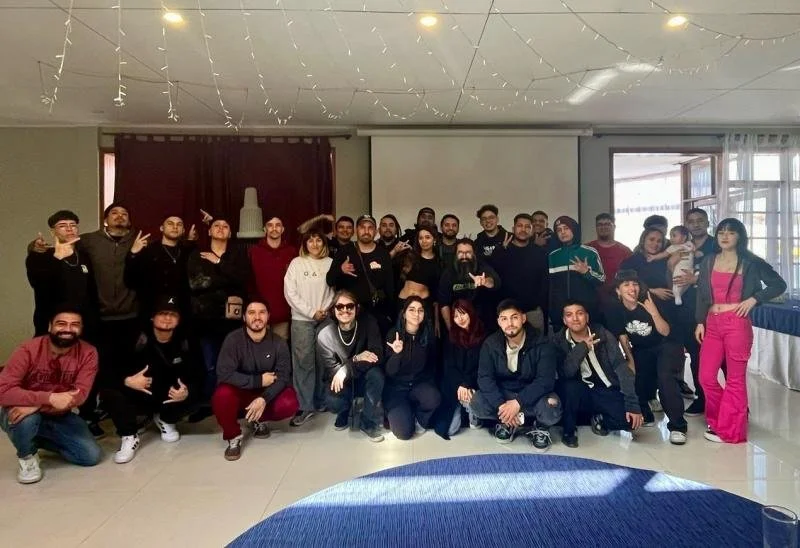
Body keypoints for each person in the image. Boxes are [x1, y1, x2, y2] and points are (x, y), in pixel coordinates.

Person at [696, 218, 786, 444]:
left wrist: (755, 299)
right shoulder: (709, 261)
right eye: (721, 232)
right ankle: (718, 421)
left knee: (735, 379)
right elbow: (701, 294)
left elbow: (778, 284)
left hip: (736, 322)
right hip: (711, 322)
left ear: (739, 236)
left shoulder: (751, 262)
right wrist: (699, 321)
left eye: (731, 232)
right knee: (705, 377)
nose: (725, 236)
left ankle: (732, 431)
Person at [0, 307, 102, 484]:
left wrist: (39, 404)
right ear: (50, 327)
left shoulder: (88, 352)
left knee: (90, 456)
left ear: (81, 329)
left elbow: (81, 394)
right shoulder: (28, 349)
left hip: (57, 414)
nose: (68, 329)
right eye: (61, 324)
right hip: (22, 412)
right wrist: (49, 398)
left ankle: (34, 439)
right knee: (28, 420)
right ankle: (27, 456)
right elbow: (3, 390)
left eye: (74, 325)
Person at [101, 296, 203, 464]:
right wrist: (127, 381)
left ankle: (165, 419)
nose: (167, 318)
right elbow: (107, 371)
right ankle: (129, 436)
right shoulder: (134, 338)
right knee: (110, 392)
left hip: (169, 395)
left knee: (202, 392)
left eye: (172, 314)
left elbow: (198, 373)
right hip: (139, 392)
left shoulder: (186, 340)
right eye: (162, 313)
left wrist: (186, 391)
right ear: (152, 317)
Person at [77, 203, 141, 437]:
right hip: (99, 318)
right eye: (115, 213)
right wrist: (37, 248)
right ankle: (88, 416)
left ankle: (125, 414)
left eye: (125, 213)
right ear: (106, 219)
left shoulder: (138, 239)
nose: (120, 216)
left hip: (130, 316)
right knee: (94, 367)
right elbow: (62, 250)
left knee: (127, 367)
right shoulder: (89, 241)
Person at [606, 270, 689, 445]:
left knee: (665, 379)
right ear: (618, 291)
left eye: (635, 284)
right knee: (636, 376)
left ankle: (678, 426)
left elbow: (665, 331)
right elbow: (623, 338)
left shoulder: (650, 301)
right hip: (642, 348)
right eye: (626, 285)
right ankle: (646, 412)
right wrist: (631, 362)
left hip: (667, 345)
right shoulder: (615, 309)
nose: (632, 288)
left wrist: (653, 312)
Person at [469, 299, 562, 451]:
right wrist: (502, 406)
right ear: (499, 322)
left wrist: (518, 403)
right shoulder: (490, 344)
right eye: (504, 319)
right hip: (504, 394)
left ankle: (540, 426)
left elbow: (545, 381)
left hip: (532, 395)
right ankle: (507, 420)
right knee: (477, 403)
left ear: (523, 318)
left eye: (514, 317)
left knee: (551, 408)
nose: (510, 323)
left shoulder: (543, 343)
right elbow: (485, 378)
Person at [212, 300, 299, 461]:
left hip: (264, 393)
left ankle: (259, 419)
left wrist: (264, 398)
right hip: (240, 391)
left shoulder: (278, 343)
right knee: (222, 395)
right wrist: (258, 381)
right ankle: (233, 436)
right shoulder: (233, 340)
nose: (257, 317)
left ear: (268, 316)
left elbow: (283, 376)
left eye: (262, 312)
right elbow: (224, 373)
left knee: (290, 402)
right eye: (252, 313)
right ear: (244, 317)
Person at [553, 301, 643, 448]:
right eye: (569, 315)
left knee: (633, 420)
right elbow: (566, 373)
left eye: (579, 313)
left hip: (605, 389)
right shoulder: (558, 340)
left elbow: (621, 367)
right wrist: (583, 347)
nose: (575, 318)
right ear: (564, 320)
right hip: (578, 392)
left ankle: (600, 419)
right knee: (570, 387)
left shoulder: (603, 334)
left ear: (587, 317)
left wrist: (632, 404)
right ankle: (569, 432)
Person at [187, 218, 249, 419]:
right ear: (210, 231)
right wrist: (226, 278)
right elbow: (197, 283)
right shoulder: (197, 255)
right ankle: (208, 403)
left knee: (234, 364)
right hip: (205, 320)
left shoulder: (237, 255)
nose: (221, 229)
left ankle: (234, 402)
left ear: (230, 233)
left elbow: (243, 280)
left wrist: (218, 263)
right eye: (217, 226)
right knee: (210, 365)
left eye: (225, 226)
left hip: (232, 321)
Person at [316, 290, 385, 442]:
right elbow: (333, 370)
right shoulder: (325, 334)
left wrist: (347, 367)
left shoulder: (368, 322)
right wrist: (356, 359)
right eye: (340, 306)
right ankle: (344, 410)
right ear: (333, 310)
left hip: (364, 375)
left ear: (356, 308)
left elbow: (377, 354)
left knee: (377, 376)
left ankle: (367, 421)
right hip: (342, 380)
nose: (345, 310)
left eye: (349, 306)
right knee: (331, 399)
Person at [283, 230, 335, 427]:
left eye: (318, 239)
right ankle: (305, 406)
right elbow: (290, 293)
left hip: (325, 317)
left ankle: (321, 401)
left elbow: (333, 290)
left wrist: (325, 310)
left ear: (323, 243)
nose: (314, 243)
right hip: (302, 319)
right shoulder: (297, 263)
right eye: (310, 240)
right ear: (305, 244)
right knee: (304, 362)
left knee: (324, 361)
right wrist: (311, 312)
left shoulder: (330, 263)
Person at [26, 210, 99, 339]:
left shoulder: (84, 256)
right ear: (53, 232)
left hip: (83, 323)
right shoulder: (41, 256)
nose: (69, 229)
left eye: (73, 225)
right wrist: (57, 258)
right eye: (62, 225)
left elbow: (91, 290)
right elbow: (39, 285)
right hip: (53, 323)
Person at [672, 207, 716, 415]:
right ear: (686, 224)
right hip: (688, 309)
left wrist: (696, 279)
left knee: (721, 357)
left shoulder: (717, 245)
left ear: (707, 223)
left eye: (700, 220)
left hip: (714, 308)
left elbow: (727, 274)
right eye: (691, 221)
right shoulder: (682, 245)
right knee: (696, 355)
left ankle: (736, 401)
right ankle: (703, 397)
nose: (696, 224)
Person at [383, 297, 441, 440]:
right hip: (396, 388)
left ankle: (418, 416)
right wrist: (397, 354)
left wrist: (429, 387)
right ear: (404, 313)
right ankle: (398, 412)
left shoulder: (428, 335)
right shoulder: (394, 334)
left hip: (418, 385)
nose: (416, 314)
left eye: (420, 310)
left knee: (434, 398)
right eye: (412, 310)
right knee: (404, 433)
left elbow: (432, 365)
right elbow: (389, 371)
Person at [326, 214, 395, 334]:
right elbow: (329, 280)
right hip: (349, 314)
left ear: (376, 231)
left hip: (377, 314)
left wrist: (391, 315)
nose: (366, 231)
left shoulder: (383, 253)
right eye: (362, 227)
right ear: (356, 230)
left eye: (370, 228)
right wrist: (340, 270)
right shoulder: (344, 251)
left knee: (375, 350)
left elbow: (390, 286)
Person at [124, 215, 198, 320]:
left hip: (182, 312)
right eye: (170, 223)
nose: (175, 227)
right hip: (152, 311)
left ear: (183, 231)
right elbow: (130, 281)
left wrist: (192, 242)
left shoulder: (187, 251)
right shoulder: (148, 251)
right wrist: (133, 253)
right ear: (161, 228)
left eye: (179, 224)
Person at [433, 299, 485, 437]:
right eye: (456, 316)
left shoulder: (484, 334)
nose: (460, 319)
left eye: (463, 314)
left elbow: (484, 366)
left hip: (475, 382)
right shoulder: (452, 336)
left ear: (471, 313)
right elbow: (449, 366)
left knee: (474, 396)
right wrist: (460, 385)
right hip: (454, 384)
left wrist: (467, 383)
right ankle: (459, 402)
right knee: (450, 430)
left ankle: (473, 411)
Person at [491, 213, 549, 333]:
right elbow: (494, 278)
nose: (523, 229)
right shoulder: (503, 250)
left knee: (537, 347)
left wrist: (540, 306)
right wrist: (501, 251)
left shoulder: (539, 252)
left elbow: (544, 282)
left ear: (532, 230)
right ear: (513, 229)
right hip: (508, 312)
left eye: (527, 226)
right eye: (520, 226)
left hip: (533, 311)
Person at [547, 216, 605, 330]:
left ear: (574, 229)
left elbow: (601, 279)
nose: (563, 232)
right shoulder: (553, 256)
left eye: (566, 228)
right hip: (561, 315)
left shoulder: (589, 252)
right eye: (559, 230)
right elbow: (551, 287)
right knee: (562, 346)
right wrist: (552, 311)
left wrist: (586, 272)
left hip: (587, 312)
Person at [438, 238, 501, 333]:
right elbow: (444, 303)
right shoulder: (448, 273)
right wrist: (451, 330)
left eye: (468, 252)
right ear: (455, 254)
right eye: (460, 252)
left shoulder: (481, 266)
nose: (464, 256)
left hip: (483, 323)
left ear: (474, 254)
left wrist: (485, 281)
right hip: (458, 322)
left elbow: (495, 282)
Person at [250, 216, 297, 340]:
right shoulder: (254, 251)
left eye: (278, 225)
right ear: (264, 229)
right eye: (270, 225)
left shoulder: (292, 252)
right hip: (259, 312)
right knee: (259, 350)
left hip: (283, 313)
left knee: (280, 351)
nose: (274, 228)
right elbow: (249, 280)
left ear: (283, 229)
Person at [396, 225, 442, 335]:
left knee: (422, 338)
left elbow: (436, 295)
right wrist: (395, 251)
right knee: (400, 336)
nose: (424, 241)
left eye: (427, 237)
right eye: (421, 238)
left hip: (423, 305)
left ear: (434, 239)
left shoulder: (439, 263)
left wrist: (436, 321)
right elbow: (392, 272)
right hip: (402, 303)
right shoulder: (410, 256)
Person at [647, 225, 695, 306]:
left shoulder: (689, 244)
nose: (671, 238)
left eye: (674, 236)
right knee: (677, 282)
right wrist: (654, 257)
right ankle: (677, 295)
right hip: (678, 270)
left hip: (689, 269)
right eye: (670, 236)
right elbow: (663, 254)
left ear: (684, 237)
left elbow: (694, 251)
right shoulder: (672, 247)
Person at [586, 213, 632, 296]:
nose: (603, 227)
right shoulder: (586, 249)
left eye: (607, 224)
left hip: (617, 298)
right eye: (600, 225)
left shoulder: (625, 251)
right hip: (591, 297)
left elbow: (631, 278)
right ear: (596, 228)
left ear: (614, 227)